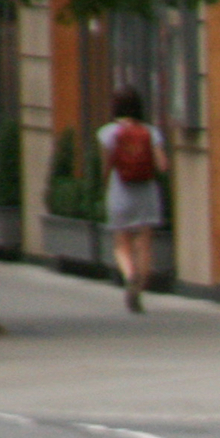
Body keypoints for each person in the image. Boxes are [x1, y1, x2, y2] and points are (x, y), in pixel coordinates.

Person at [96, 88, 166, 313]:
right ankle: (140, 285)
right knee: (144, 242)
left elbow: (106, 166)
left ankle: (130, 274)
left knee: (121, 242)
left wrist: (103, 184)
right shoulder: (150, 132)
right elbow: (163, 165)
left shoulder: (107, 133)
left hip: (120, 191)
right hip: (146, 192)